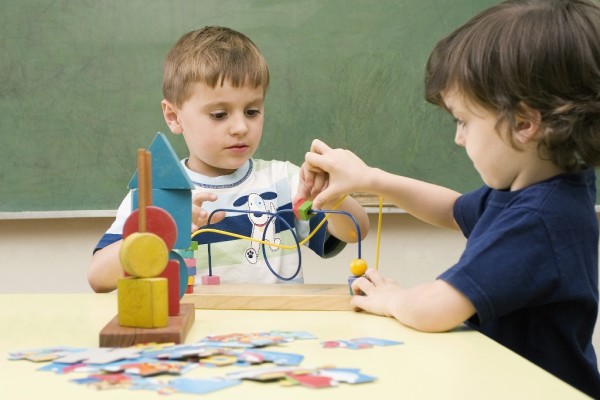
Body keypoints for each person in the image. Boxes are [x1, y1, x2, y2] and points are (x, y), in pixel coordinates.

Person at [296, 0, 600, 397]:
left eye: (464, 121)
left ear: (524, 124)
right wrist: (370, 178)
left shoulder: (540, 220)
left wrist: (394, 298)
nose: (458, 138)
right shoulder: (534, 193)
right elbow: (451, 209)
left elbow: (434, 309)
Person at [88, 26, 368, 293]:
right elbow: (98, 277)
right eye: (219, 115)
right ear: (174, 116)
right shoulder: (155, 196)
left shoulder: (286, 181)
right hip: (199, 336)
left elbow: (355, 232)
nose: (240, 127)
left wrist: (332, 196)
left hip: (278, 333)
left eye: (252, 111)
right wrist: (160, 231)